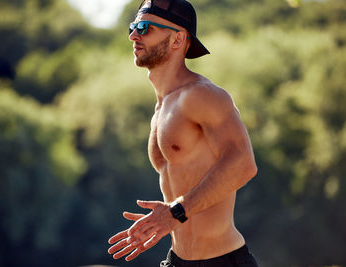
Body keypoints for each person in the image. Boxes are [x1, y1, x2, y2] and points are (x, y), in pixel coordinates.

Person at [107, 0, 259, 266]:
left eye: (144, 27)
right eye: (133, 27)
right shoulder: (162, 107)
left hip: (222, 261)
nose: (133, 35)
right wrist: (161, 222)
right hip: (177, 260)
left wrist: (174, 213)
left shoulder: (201, 95)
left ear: (178, 39)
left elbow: (243, 164)